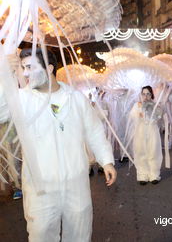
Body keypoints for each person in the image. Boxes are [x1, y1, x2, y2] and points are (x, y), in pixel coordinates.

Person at [0, 48, 117, 241]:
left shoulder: (76, 98)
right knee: (41, 235)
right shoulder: (21, 99)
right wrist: (4, 75)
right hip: (41, 189)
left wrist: (106, 161)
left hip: (76, 184)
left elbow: (94, 130)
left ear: (49, 68)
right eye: (23, 68)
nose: (26, 73)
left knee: (79, 234)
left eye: (30, 67)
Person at [129, 86, 163, 185]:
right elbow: (131, 116)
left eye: (148, 93)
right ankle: (142, 175)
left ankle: (154, 175)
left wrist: (155, 111)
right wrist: (138, 114)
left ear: (151, 94)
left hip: (152, 131)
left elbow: (159, 117)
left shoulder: (156, 105)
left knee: (153, 152)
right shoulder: (137, 105)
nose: (145, 96)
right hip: (140, 132)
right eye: (143, 94)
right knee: (140, 152)